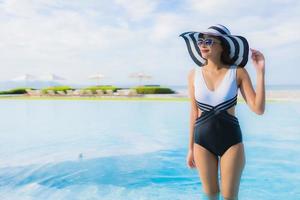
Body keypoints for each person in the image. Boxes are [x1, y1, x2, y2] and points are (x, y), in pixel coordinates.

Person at [180, 24, 265, 199]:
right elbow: (193, 113)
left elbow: (258, 109)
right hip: (201, 143)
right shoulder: (193, 74)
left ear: (222, 46)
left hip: (231, 142)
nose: (203, 44)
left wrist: (260, 73)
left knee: (229, 197)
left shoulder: (238, 72)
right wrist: (190, 148)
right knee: (210, 196)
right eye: (200, 41)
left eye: (209, 41)